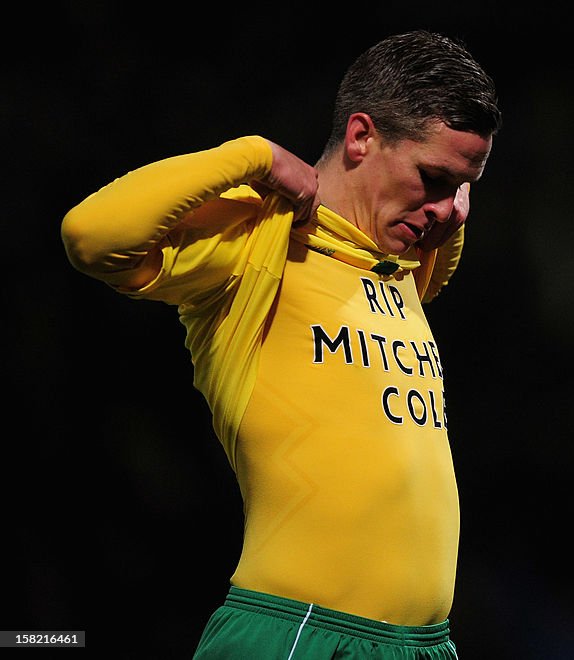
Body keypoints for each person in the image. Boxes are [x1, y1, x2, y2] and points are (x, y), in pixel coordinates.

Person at [61, 30, 501, 659]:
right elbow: (90, 236)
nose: (442, 209)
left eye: (458, 188)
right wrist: (251, 157)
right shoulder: (260, 236)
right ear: (360, 137)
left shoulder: (398, 266)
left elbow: (441, 251)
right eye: (431, 177)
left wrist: (448, 204)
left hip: (423, 646)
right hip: (295, 633)